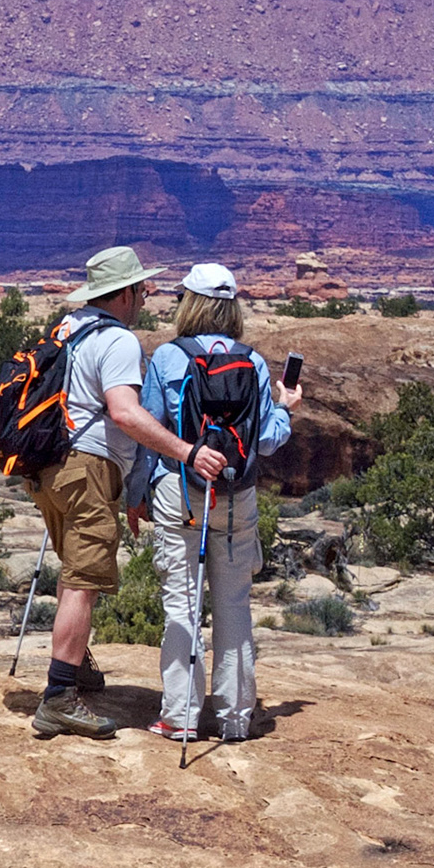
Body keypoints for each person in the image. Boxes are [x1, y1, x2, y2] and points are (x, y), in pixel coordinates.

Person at [27, 246, 226, 740]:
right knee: (84, 581)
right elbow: (125, 413)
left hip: (47, 467)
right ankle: (59, 699)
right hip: (87, 468)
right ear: (124, 294)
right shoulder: (116, 339)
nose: (146, 296)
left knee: (75, 570)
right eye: (141, 288)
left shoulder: (68, 328)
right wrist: (186, 452)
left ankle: (77, 669)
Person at [139, 262, 300, 743]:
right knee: (234, 605)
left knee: (181, 605)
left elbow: (149, 434)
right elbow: (267, 440)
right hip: (237, 495)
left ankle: (181, 715)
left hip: (179, 492)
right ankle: (234, 718)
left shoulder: (168, 358)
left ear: (189, 303)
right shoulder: (253, 362)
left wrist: (135, 496)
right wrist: (287, 409)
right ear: (232, 307)